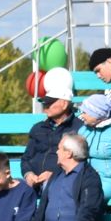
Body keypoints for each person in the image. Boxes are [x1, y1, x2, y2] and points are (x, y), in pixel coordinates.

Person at [22, 67, 78, 195]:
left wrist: (54, 175)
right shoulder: (37, 128)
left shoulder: (79, 129)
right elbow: (26, 158)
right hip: (33, 185)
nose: (45, 107)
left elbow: (79, 163)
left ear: (64, 104)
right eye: (44, 103)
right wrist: (28, 174)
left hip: (62, 184)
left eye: (50, 103)